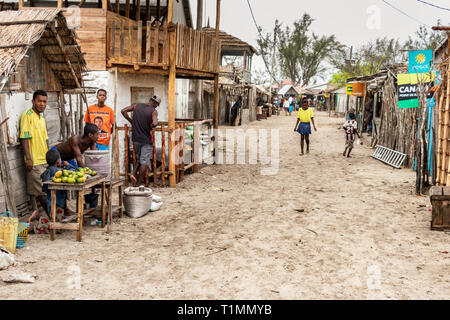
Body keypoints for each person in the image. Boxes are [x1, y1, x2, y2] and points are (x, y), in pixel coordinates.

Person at [20, 90, 49, 215]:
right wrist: (28, 158)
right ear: (33, 101)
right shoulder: (27, 115)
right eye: (39, 101)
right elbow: (24, 138)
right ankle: (51, 216)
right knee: (40, 192)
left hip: (44, 160)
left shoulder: (41, 118)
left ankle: (51, 215)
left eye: (44, 101)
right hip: (34, 162)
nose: (42, 104)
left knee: (47, 190)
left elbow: (46, 140)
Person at [121, 95, 160, 186]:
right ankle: (138, 184)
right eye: (157, 105)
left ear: (150, 100)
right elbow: (155, 123)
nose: (156, 106)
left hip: (135, 139)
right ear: (156, 104)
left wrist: (131, 121)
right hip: (146, 140)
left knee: (139, 158)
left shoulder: (137, 105)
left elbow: (123, 111)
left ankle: (133, 174)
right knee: (144, 161)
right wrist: (151, 125)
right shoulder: (154, 111)